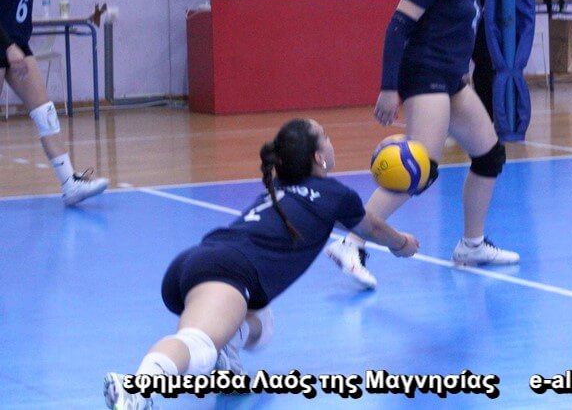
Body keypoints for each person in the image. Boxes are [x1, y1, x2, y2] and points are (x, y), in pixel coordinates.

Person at [103, 118, 419, 409]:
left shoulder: (281, 185)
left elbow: (352, 222)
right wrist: (402, 243)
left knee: (262, 325)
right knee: (198, 345)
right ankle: (136, 389)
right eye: (326, 136)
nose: (330, 140)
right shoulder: (335, 195)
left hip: (202, 263)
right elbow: (372, 227)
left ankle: (226, 353)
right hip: (226, 272)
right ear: (318, 157)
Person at [325, 0, 519, 291]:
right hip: (425, 76)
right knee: (420, 168)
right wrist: (389, 87)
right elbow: (398, 28)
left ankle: (472, 245)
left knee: (489, 155)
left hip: (452, 80)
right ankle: (351, 243)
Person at [0, 0, 107, 206]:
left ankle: (69, 183)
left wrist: (17, 47)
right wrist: (7, 46)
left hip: (18, 48)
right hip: (4, 46)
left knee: (46, 114)